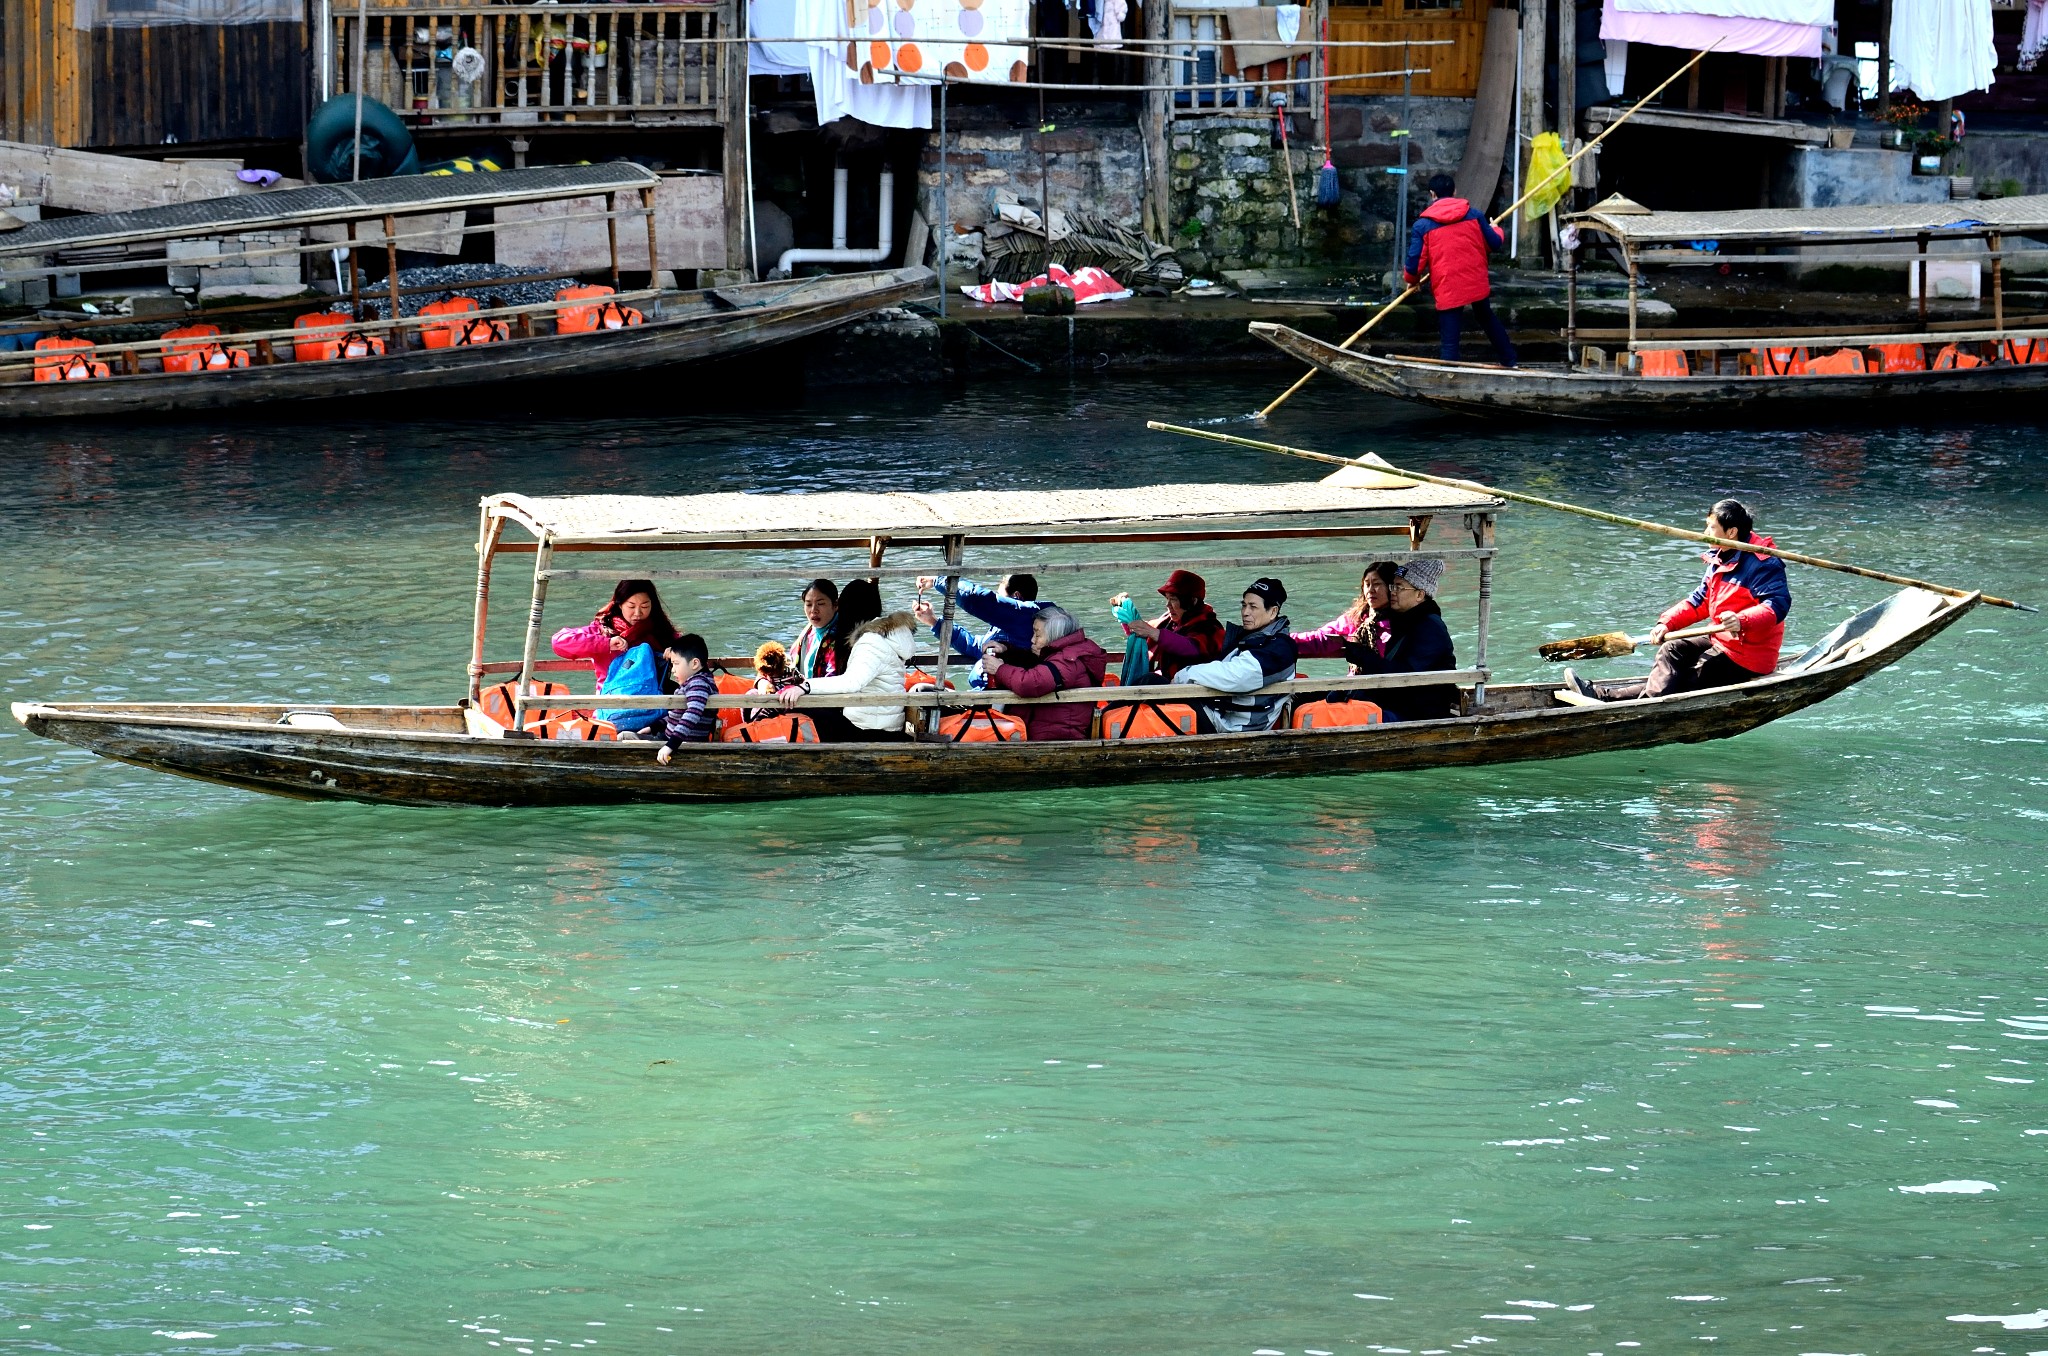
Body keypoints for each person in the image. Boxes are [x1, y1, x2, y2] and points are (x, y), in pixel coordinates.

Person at [1563, 499, 1790, 702]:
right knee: (1671, 649)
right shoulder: (1721, 557)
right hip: (1719, 640)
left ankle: (1609, 698)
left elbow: (1776, 606)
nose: (1704, 532)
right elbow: (1699, 601)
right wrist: (1666, 623)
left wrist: (1741, 620)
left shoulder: (1764, 563)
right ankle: (1642, 700)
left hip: (1748, 655)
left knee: (1689, 679)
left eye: (1711, 528)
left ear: (1731, 533)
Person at [1406, 173, 1517, 368]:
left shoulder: (1422, 226)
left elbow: (1415, 263)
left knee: (1450, 337)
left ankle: (1450, 377)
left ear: (1432, 194)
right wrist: (1496, 228)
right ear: (1455, 191)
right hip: (1475, 281)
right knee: (1487, 318)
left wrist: (1412, 280)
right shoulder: (1474, 215)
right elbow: (1493, 243)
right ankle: (1510, 363)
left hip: (1448, 285)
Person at [1166, 577, 1298, 733]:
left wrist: (1184, 675)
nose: (1245, 612)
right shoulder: (1251, 640)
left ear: (1273, 612)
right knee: (1152, 682)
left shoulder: (1279, 648)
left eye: (1253, 607)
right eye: (1244, 605)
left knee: (1152, 684)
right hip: (1220, 712)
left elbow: (1237, 675)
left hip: (1235, 727)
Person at [1340, 556, 1460, 722]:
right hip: (1399, 704)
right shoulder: (1404, 621)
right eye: (1392, 586)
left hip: (1420, 714)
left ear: (1419, 595)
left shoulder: (1430, 627)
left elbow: (1404, 674)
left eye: (1399, 587)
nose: (1392, 592)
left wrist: (1364, 657)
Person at [780, 601, 916, 742]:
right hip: (879, 722)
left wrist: (806, 686)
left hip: (869, 729)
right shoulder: (886, 638)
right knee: (817, 712)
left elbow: (851, 682)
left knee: (802, 711)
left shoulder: (872, 643)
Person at [981, 605, 1109, 741]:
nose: (1032, 640)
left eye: (1037, 634)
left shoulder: (1068, 661)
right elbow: (1033, 664)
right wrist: (1006, 650)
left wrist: (999, 669)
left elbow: (1030, 683)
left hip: (1058, 737)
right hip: (1045, 730)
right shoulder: (1064, 653)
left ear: (1054, 637)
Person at [551, 579, 682, 685]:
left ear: (653, 606)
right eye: (631, 606)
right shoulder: (603, 630)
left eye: (645, 606)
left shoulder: (662, 631)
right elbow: (559, 642)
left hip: (653, 704)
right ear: (619, 605)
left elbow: (692, 653)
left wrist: (676, 652)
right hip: (611, 704)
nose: (638, 613)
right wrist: (606, 643)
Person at [1110, 569, 1229, 681]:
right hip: (1170, 682)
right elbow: (1142, 631)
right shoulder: (1170, 621)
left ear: (1193, 601)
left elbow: (1192, 648)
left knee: (1148, 680)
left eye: (1173, 599)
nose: (1168, 605)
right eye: (1167, 599)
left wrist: (1153, 633)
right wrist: (1125, 613)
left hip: (1193, 690)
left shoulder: (1210, 626)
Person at [913, 574, 1045, 674]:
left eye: (1001, 596)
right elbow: (974, 646)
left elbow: (976, 599)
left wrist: (938, 581)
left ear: (1016, 596)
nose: (998, 601)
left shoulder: (1026, 617)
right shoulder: (1010, 626)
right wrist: (933, 621)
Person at [1293, 562, 1400, 664]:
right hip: (1357, 681)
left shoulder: (1404, 620)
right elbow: (1321, 639)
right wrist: (1284, 640)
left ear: (1391, 587)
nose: (1370, 590)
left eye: (1377, 584)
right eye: (1367, 584)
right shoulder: (1356, 619)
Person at [653, 634, 716, 763]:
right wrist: (654, 727)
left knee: (624, 737)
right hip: (670, 737)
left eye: (676, 664)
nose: (673, 670)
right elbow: (677, 715)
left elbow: (692, 713)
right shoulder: (694, 682)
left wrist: (670, 746)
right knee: (627, 735)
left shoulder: (698, 684)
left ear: (694, 664)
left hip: (680, 743)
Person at [789, 578, 844, 680]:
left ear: (835, 605)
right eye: (809, 604)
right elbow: (789, 665)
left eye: (821, 603)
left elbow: (832, 680)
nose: (814, 610)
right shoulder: (809, 631)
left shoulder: (840, 636)